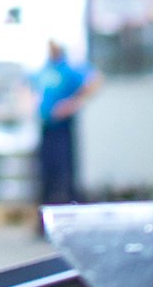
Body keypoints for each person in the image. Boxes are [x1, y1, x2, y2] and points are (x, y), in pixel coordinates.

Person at [31, 38, 101, 206]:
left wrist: (73, 103)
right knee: (45, 171)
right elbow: (27, 86)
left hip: (63, 128)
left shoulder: (69, 69)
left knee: (65, 170)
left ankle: (67, 205)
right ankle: (45, 208)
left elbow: (95, 80)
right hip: (46, 126)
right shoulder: (44, 70)